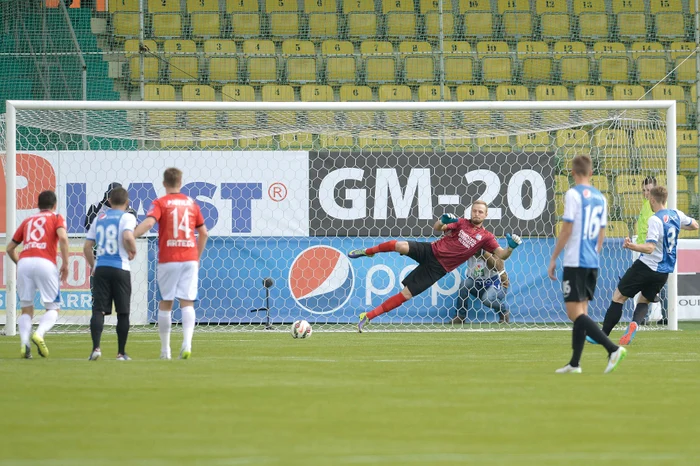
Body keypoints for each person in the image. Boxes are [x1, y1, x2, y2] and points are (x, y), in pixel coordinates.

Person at [348, 200, 522, 333]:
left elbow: (501, 254)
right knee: (398, 244)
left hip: (438, 269)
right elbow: (438, 227)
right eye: (475, 210)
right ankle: (369, 251)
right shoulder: (461, 222)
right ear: (471, 211)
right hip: (430, 250)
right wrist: (442, 220)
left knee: (406, 294)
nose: (477, 213)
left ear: (485, 215)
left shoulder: (486, 237)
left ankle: (368, 316)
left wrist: (510, 248)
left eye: (480, 212)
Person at [547, 155, 627, 374]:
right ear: (592, 173)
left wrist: (554, 257)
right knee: (581, 312)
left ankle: (612, 349)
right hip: (592, 260)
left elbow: (566, 229)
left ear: (572, 173)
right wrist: (594, 252)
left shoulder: (573, 194)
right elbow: (601, 232)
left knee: (575, 314)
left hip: (575, 261)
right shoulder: (601, 198)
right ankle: (574, 363)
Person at [596, 186, 698, 346]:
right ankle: (635, 324)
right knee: (644, 300)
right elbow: (695, 225)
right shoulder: (676, 214)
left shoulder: (655, 219)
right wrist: (676, 227)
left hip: (646, 266)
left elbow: (650, 248)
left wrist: (631, 246)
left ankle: (602, 335)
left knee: (619, 297)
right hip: (664, 271)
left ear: (652, 199)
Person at [133, 168, 208, 360]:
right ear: (181, 182)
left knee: (166, 302)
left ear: (164, 183)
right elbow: (204, 233)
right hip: (190, 257)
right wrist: (197, 257)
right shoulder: (192, 204)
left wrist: (130, 235)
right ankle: (187, 345)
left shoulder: (160, 203)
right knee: (187, 302)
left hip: (169, 258)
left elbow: (149, 224)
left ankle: (165, 351)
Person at [6, 190, 69, 359]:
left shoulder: (28, 220)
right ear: (54, 205)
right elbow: (62, 238)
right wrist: (66, 263)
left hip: (24, 262)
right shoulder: (56, 217)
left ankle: (24, 343)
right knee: (53, 307)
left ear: (37, 205)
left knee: (26, 309)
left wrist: (21, 264)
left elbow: (10, 248)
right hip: (45, 262)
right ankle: (39, 334)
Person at [83, 187, 137, 361]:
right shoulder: (127, 217)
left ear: (109, 202)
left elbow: (87, 247)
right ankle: (121, 353)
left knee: (98, 310)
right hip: (120, 268)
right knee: (123, 313)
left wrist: (94, 265)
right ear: (127, 202)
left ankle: (96, 349)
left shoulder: (99, 218)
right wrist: (133, 250)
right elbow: (128, 237)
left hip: (102, 268)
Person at [634, 176, 664, 324]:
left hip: (652, 249)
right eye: (644, 190)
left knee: (656, 282)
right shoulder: (646, 204)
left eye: (649, 190)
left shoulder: (656, 207)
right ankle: (644, 316)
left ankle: (665, 315)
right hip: (644, 248)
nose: (646, 193)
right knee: (649, 282)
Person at [453, 251, 510, 324]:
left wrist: (483, 253)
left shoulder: (492, 248)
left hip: (495, 285)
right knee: (464, 284)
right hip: (477, 284)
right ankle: (460, 316)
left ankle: (503, 311)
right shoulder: (469, 247)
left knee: (487, 299)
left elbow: (497, 267)